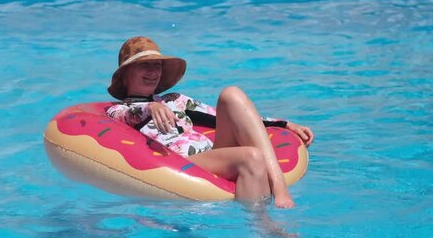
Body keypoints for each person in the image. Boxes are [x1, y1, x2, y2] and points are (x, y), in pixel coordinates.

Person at [106, 36, 313, 208]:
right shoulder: (117, 110)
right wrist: (150, 107)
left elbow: (222, 116)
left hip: (212, 155)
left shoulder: (175, 100)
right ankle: (264, 229)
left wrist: (284, 125)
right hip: (181, 164)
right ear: (125, 75)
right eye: (144, 65)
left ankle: (279, 188)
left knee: (231, 94)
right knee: (251, 156)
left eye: (157, 65)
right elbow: (128, 115)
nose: (153, 72)